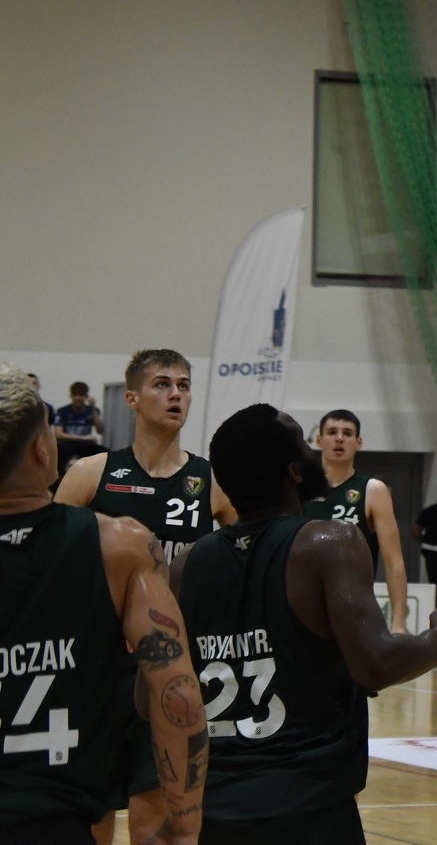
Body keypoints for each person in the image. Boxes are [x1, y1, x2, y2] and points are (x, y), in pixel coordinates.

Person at [173, 404, 437, 842]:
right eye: (304, 442)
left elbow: (155, 698)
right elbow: (376, 664)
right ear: (294, 471)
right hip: (308, 806)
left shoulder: (184, 565)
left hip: (214, 809)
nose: (314, 451)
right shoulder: (327, 542)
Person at [0, 363, 206, 845]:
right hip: (55, 816)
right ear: (42, 448)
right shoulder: (122, 544)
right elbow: (177, 694)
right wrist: (184, 826)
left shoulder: (200, 477)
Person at [53, 348, 236, 844]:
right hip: (95, 666)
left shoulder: (213, 482)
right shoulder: (91, 473)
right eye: (162, 384)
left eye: (183, 385)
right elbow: (49, 562)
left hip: (168, 667)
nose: (176, 394)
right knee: (89, 809)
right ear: (132, 398)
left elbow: (243, 562)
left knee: (155, 811)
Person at [301, 410, 409, 634]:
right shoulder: (299, 488)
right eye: (332, 432)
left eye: (347, 433)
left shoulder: (373, 490)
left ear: (358, 443)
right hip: (303, 607)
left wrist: (399, 624)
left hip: (353, 610)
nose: (340, 438)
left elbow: (394, 562)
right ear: (319, 440)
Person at [53, 380, 105, 460]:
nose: (77, 398)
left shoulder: (92, 410)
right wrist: (83, 438)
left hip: (85, 446)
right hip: (67, 445)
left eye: (80, 395)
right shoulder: (62, 411)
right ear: (71, 396)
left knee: (104, 453)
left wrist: (93, 408)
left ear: (86, 397)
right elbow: (58, 434)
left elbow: (100, 430)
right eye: (75, 395)